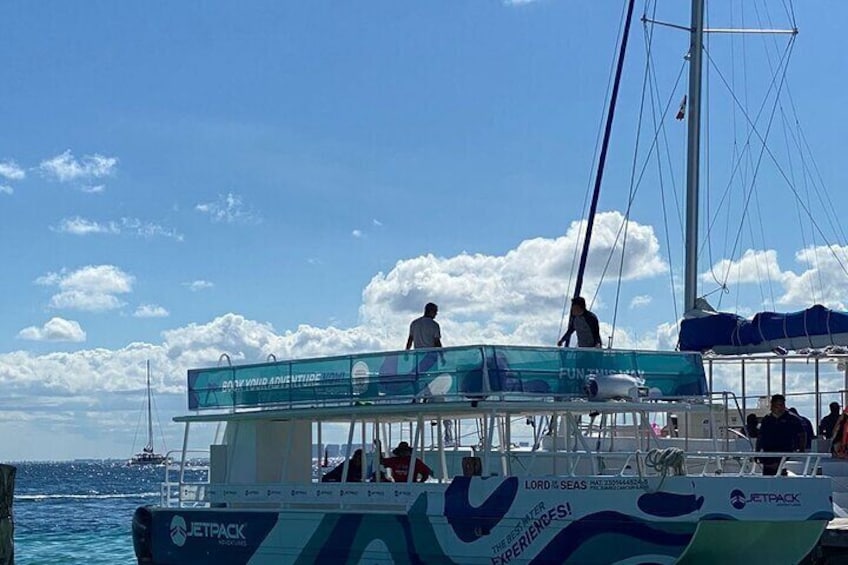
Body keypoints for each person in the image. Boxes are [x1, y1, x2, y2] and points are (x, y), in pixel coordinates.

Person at [756, 394, 806, 476]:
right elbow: (760, 436)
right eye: (777, 405)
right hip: (768, 452)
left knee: (780, 473)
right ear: (772, 406)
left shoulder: (791, 419)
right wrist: (757, 451)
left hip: (785, 451)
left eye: (782, 405)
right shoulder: (767, 419)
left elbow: (801, 434)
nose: (780, 408)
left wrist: (801, 448)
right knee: (768, 477)